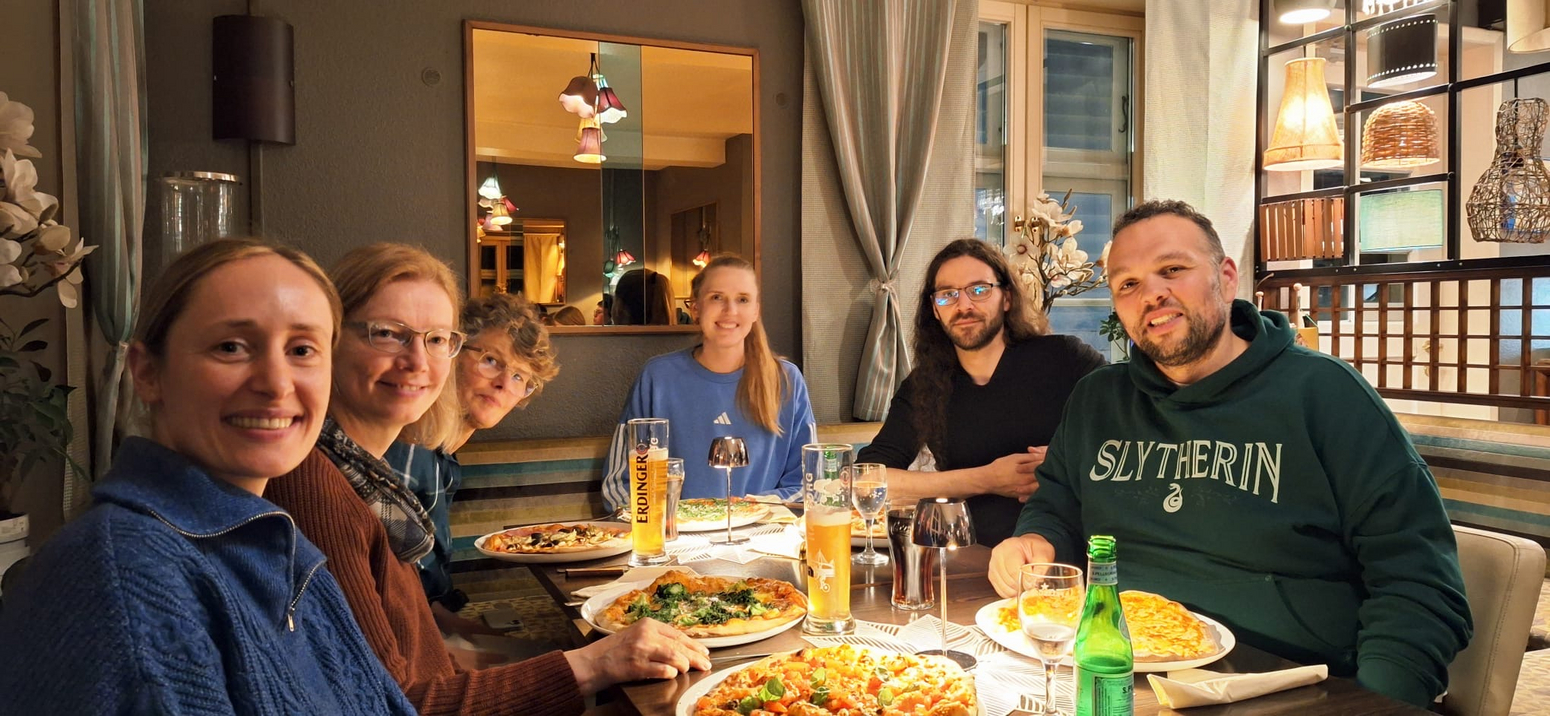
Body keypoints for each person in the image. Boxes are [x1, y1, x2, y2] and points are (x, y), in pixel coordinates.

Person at [988, 200, 1472, 707]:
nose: (1151, 293)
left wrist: (1375, 704)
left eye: (1172, 269)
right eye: (1127, 284)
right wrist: (1036, 539)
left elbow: (1419, 585)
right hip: (1113, 672)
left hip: (1289, 686)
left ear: (1226, 278)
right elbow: (1057, 505)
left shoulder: (1326, 395)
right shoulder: (1098, 399)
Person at [263, 244, 710, 716]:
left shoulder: (368, 478)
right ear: (328, 338)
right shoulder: (319, 485)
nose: (417, 361)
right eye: (388, 334)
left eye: (436, 339)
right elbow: (395, 702)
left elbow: (408, 649)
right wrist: (594, 663)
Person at [0, 239, 416, 714]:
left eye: (302, 350)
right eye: (231, 347)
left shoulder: (279, 547)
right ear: (147, 372)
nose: (277, 383)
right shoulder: (123, 577)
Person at [856, 239, 1106, 544]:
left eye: (979, 290)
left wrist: (1064, 466)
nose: (964, 306)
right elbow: (867, 480)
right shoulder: (925, 385)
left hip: (1068, 551)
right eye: (948, 295)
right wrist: (986, 479)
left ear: (1007, 298)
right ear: (935, 309)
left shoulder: (1064, 358)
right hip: (968, 555)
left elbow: (1128, 429)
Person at [390, 292, 559, 633]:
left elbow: (423, 598)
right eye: (491, 360)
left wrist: (478, 634)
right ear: (451, 353)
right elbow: (394, 608)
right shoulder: (410, 448)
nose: (503, 384)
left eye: (520, 378)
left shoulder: (443, 458)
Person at [602, 254, 816, 508]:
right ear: (695, 308)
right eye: (717, 297)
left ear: (756, 310)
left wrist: (748, 511)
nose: (730, 310)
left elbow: (809, 484)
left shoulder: (787, 380)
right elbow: (619, 485)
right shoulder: (657, 377)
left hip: (765, 529)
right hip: (675, 531)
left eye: (743, 299)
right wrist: (668, 522)